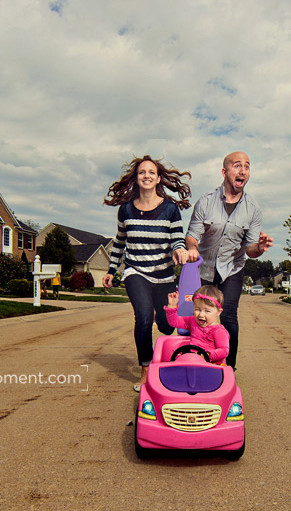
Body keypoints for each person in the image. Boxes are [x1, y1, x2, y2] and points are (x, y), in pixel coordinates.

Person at [103, 155, 192, 392]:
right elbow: (120, 242)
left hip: (163, 275)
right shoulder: (126, 210)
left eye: (151, 172)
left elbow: (177, 240)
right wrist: (112, 270)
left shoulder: (170, 209)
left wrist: (180, 250)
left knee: (164, 326)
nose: (146, 176)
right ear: (136, 178)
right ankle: (146, 368)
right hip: (136, 271)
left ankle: (156, 316)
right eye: (142, 172)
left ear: (158, 178)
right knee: (143, 315)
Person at [186, 151, 273, 369]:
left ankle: (228, 368)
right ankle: (194, 360)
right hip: (202, 267)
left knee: (229, 317)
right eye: (237, 165)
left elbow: (250, 250)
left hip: (232, 269)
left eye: (247, 166)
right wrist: (193, 249)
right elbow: (191, 235)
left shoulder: (253, 209)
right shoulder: (205, 202)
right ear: (225, 172)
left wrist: (260, 248)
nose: (243, 170)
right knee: (197, 315)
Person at [165, 285, 229, 364]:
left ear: (218, 312)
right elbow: (174, 322)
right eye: (197, 309)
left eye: (207, 311)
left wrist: (208, 355)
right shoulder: (193, 321)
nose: (201, 315)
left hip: (210, 364)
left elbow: (224, 351)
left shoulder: (219, 331)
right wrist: (172, 306)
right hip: (191, 360)